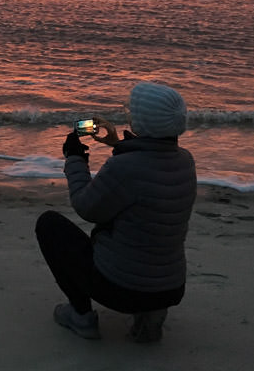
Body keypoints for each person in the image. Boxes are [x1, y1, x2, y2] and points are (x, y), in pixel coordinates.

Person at [35, 81, 197, 343]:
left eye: (133, 111)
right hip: (169, 287)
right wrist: (118, 144)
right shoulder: (185, 161)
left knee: (49, 225)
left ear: (145, 122)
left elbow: (86, 208)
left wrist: (75, 159)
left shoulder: (126, 167)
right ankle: (151, 314)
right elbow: (146, 175)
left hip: (122, 289)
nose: (129, 114)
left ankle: (81, 317)